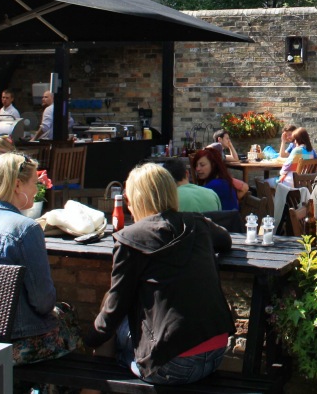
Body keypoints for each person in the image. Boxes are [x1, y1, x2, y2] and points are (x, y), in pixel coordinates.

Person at [83, 164, 234, 385]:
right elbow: (225, 240)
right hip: (216, 352)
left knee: (110, 315)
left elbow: (114, 309)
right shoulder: (197, 224)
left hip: (173, 366)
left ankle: (90, 389)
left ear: (136, 199)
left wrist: (88, 341)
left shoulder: (130, 238)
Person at [0, 153, 79, 363]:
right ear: (17, 185)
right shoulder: (26, 229)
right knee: (70, 323)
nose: (36, 189)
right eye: (33, 183)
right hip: (15, 341)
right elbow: (43, 302)